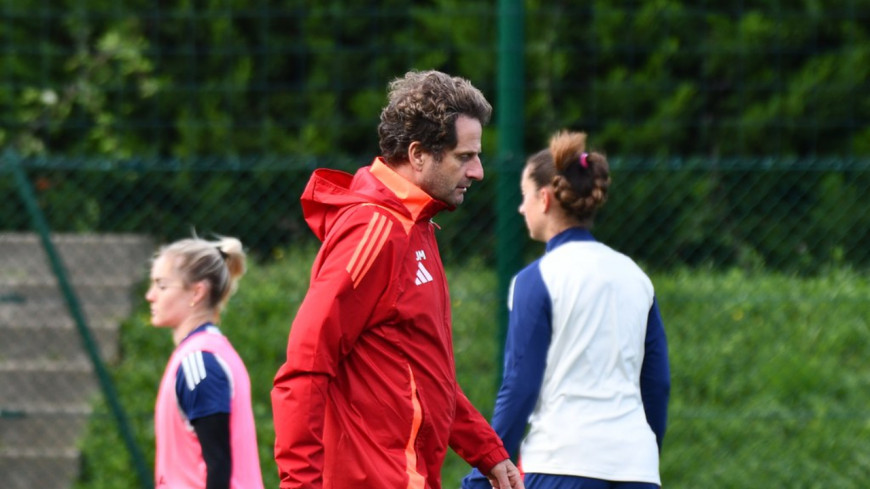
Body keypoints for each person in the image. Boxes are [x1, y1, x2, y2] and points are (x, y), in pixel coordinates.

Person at [271, 70, 524, 489]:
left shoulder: (417, 225)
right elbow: (306, 366)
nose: (478, 171)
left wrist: (487, 451)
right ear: (418, 154)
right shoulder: (374, 232)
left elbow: (425, 373)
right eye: (464, 156)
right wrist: (300, 484)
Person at [461, 131, 671, 489]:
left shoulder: (536, 279)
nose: (521, 208)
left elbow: (520, 386)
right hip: (637, 469)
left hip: (562, 462)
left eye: (524, 196)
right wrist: (641, 457)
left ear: (544, 199)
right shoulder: (636, 277)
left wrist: (483, 475)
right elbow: (657, 384)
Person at [147, 235, 264, 489]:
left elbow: (218, 465)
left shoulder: (199, 362)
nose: (150, 296)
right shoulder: (202, 353)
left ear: (197, 292)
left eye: (162, 286)